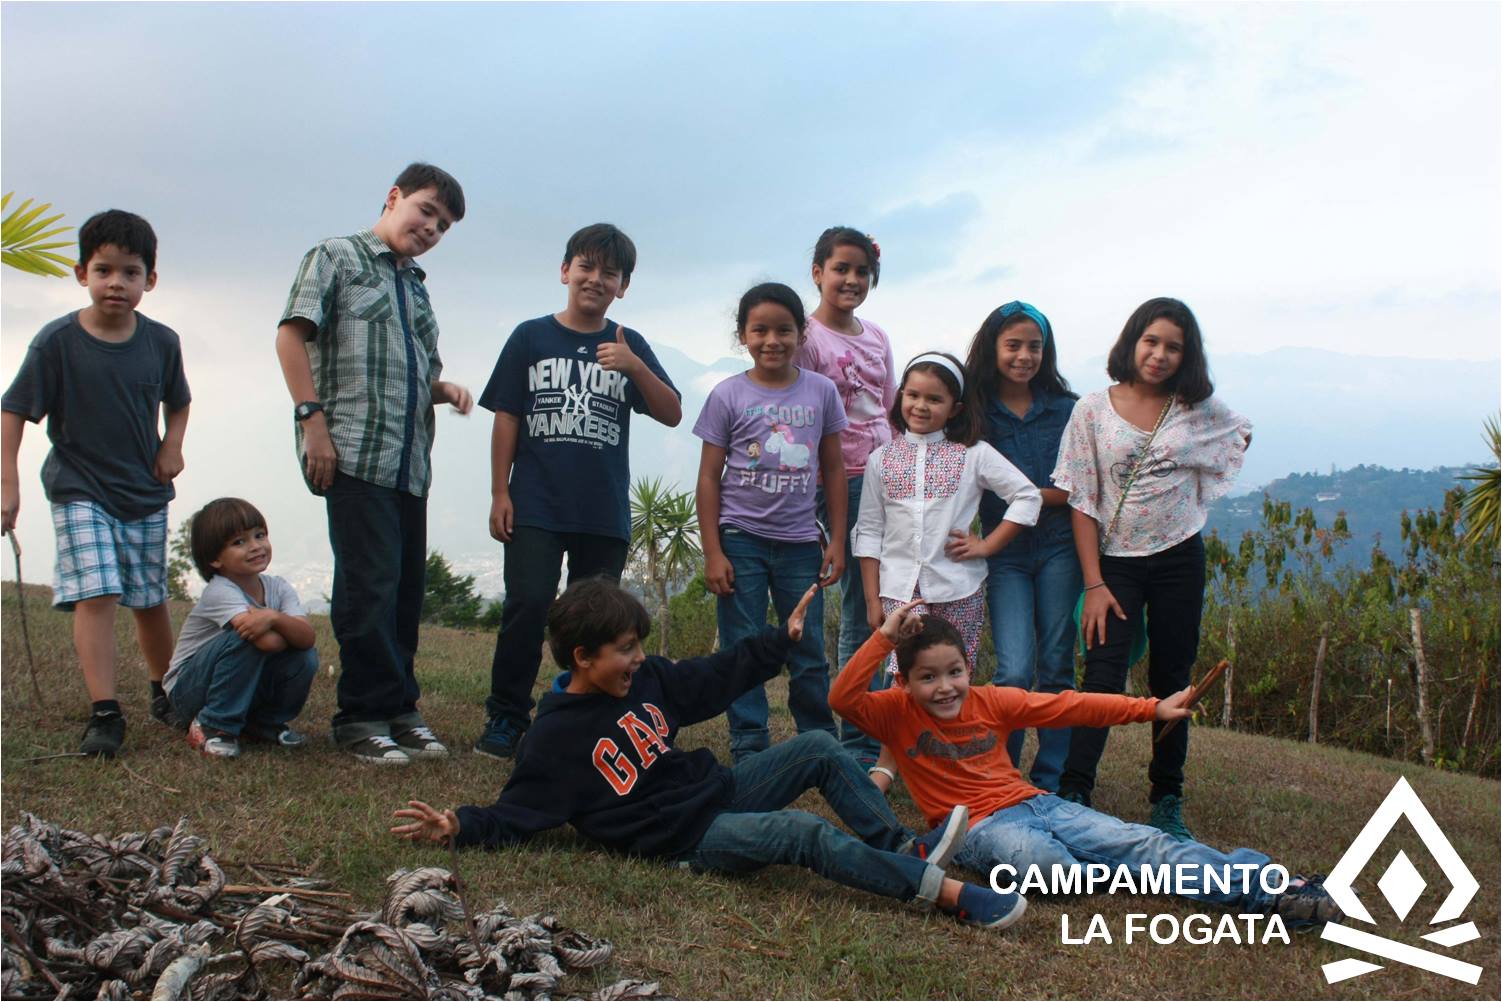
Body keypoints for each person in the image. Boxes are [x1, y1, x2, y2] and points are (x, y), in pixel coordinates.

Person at [391, 578, 1028, 932]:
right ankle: (943, 894)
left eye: (639, 644)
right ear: (582, 658)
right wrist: (459, 824)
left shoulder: (643, 681)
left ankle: (899, 846)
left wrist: (778, 642)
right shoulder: (553, 740)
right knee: (799, 832)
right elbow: (520, 809)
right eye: (624, 648)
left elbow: (712, 676)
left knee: (814, 746)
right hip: (687, 840)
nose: (639, 658)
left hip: (716, 791)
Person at [830, 603, 1342, 928]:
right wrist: (885, 639)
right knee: (1055, 872)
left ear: (970, 668)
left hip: (1038, 805)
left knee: (1142, 843)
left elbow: (1073, 706)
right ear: (906, 681)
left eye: (955, 671)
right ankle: (1133, 869)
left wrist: (1151, 708)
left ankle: (1271, 890)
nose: (944, 687)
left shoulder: (993, 700)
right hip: (977, 827)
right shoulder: (895, 713)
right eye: (927, 677)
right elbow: (842, 696)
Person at [274, 162, 473, 765]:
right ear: (394, 198)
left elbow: (414, 368)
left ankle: (400, 709)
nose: (431, 227)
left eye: (442, 225)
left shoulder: (417, 286)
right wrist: (314, 423)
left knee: (405, 593)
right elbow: (291, 336)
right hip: (353, 448)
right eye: (425, 211)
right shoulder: (336, 256)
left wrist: (444, 390)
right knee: (368, 588)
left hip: (411, 461)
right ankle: (359, 717)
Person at [475, 223, 681, 759]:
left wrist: (634, 366)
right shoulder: (530, 336)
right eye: (585, 267)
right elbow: (506, 418)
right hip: (536, 503)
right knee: (527, 605)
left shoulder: (627, 343)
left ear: (623, 285)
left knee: (598, 623)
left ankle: (585, 717)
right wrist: (501, 491)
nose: (595, 279)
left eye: (608, 273)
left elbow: (672, 412)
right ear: (565, 271)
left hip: (602, 510)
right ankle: (506, 717)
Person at [1051, 297, 1252, 840]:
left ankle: (1167, 797)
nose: (1160, 355)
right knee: (1102, 674)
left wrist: (1189, 482)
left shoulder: (1196, 410)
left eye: (1173, 347)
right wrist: (1092, 583)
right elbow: (1082, 499)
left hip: (1178, 557)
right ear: (1132, 341)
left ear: (1186, 356)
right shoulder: (1092, 409)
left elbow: (1239, 433)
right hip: (1114, 565)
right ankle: (1075, 789)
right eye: (1151, 341)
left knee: (1173, 677)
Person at [1, 209, 191, 758]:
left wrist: (172, 445)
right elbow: (13, 410)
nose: (117, 283)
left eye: (130, 272)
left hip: (144, 490)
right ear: (80, 272)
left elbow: (178, 402)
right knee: (99, 591)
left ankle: (165, 692)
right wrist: (7, 484)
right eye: (104, 270)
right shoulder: (57, 341)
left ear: (149, 280)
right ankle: (105, 712)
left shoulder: (161, 341)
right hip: (79, 487)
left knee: (150, 598)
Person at [694, 283, 846, 763]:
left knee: (809, 650)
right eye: (759, 330)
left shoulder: (821, 391)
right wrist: (713, 551)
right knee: (743, 646)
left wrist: (837, 539)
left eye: (784, 329)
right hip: (740, 540)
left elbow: (835, 469)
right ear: (742, 334)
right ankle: (750, 744)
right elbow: (707, 476)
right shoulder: (727, 394)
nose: (772, 340)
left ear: (802, 333)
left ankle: (818, 740)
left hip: (802, 543)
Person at [852, 351, 1041, 676]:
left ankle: (950, 730)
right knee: (906, 677)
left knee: (953, 677)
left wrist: (988, 545)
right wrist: (872, 599)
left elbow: (1027, 496)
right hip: (899, 592)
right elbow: (869, 530)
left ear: (955, 409)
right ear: (899, 398)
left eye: (934, 399)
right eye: (913, 395)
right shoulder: (880, 459)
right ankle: (906, 730)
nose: (921, 405)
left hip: (959, 590)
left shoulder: (973, 453)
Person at [962, 302, 1081, 793]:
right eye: (1013, 345)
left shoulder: (1067, 409)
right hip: (1003, 552)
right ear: (993, 347)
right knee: (1013, 666)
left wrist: (1025, 494)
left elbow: (1080, 486)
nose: (1024, 355)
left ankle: (1050, 780)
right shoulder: (974, 411)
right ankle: (1003, 775)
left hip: (1060, 549)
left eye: (1035, 346)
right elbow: (956, 472)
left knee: (1056, 664)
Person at [794, 227, 897, 767]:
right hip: (830, 484)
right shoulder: (806, 338)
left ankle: (856, 738)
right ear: (818, 273)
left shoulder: (876, 337)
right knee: (837, 607)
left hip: (882, 482)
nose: (851, 279)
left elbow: (890, 407)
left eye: (861, 271)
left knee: (868, 607)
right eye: (841, 269)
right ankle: (840, 737)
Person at [164, 498, 317, 758]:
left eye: (260, 535)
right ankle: (213, 724)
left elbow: (307, 639)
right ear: (214, 559)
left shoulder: (278, 587)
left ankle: (263, 724)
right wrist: (284, 628)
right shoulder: (220, 590)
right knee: (245, 637)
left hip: (239, 682)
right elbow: (265, 643)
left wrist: (273, 617)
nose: (256, 546)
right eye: (239, 542)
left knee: (306, 656)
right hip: (188, 692)